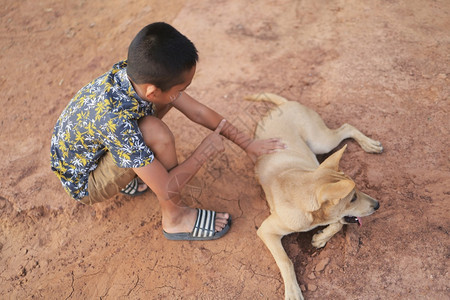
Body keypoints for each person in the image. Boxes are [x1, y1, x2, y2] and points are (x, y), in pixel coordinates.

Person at [50, 22, 285, 241]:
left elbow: (198, 112)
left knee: (160, 110)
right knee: (155, 133)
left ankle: (136, 171)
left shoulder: (135, 75)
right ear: (152, 91)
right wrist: (203, 152)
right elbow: (167, 188)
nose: (184, 93)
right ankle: (175, 217)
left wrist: (247, 143)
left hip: (92, 152)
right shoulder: (118, 122)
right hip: (86, 182)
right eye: (182, 89)